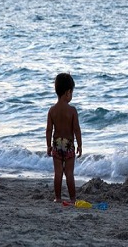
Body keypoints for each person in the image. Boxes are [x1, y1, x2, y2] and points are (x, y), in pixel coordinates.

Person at [46, 73, 82, 203]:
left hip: (56, 143)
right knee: (69, 173)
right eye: (72, 92)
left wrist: (48, 145)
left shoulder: (52, 110)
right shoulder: (72, 110)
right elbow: (76, 129)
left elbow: (49, 129)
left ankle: (58, 197)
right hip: (68, 144)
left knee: (58, 173)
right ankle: (73, 199)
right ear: (68, 92)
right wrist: (80, 145)